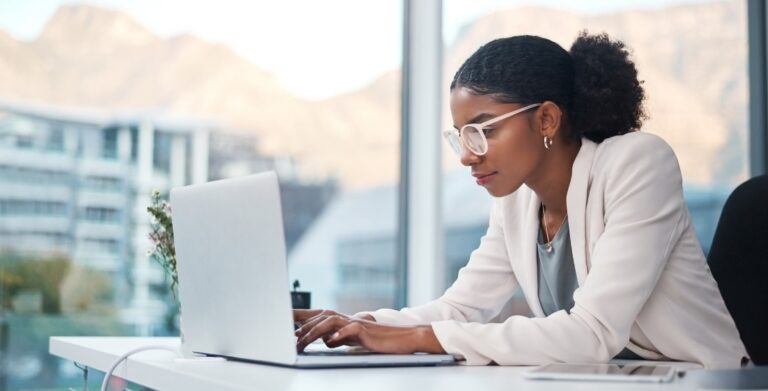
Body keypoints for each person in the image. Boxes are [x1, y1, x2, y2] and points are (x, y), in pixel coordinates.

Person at [294, 32, 748, 368]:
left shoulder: (638, 164)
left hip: (699, 380)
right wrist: (360, 324)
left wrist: (418, 338)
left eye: (484, 131)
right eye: (461, 137)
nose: (469, 155)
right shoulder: (516, 202)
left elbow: (592, 333)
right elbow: (460, 308)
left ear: (547, 119)